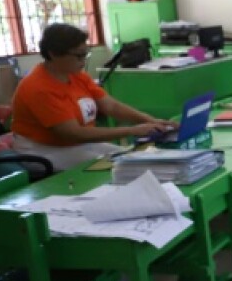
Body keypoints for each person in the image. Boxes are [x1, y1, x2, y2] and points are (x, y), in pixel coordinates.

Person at [11, 23, 177, 171]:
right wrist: (132, 130)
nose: (83, 61)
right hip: (44, 150)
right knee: (120, 166)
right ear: (53, 54)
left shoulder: (76, 75)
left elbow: (111, 106)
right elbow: (73, 133)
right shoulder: (39, 88)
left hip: (76, 145)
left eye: (86, 54)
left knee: (131, 158)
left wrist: (148, 120)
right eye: (78, 56)